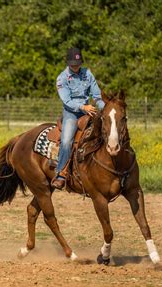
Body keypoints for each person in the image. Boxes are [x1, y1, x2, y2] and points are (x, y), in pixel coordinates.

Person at [51, 47, 105, 189]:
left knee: (105, 132)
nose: (75, 66)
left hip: (88, 111)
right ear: (68, 63)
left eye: (78, 63)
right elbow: (67, 101)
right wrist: (83, 107)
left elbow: (97, 96)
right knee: (67, 140)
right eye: (73, 64)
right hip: (71, 113)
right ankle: (61, 173)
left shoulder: (87, 73)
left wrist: (105, 108)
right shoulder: (62, 78)